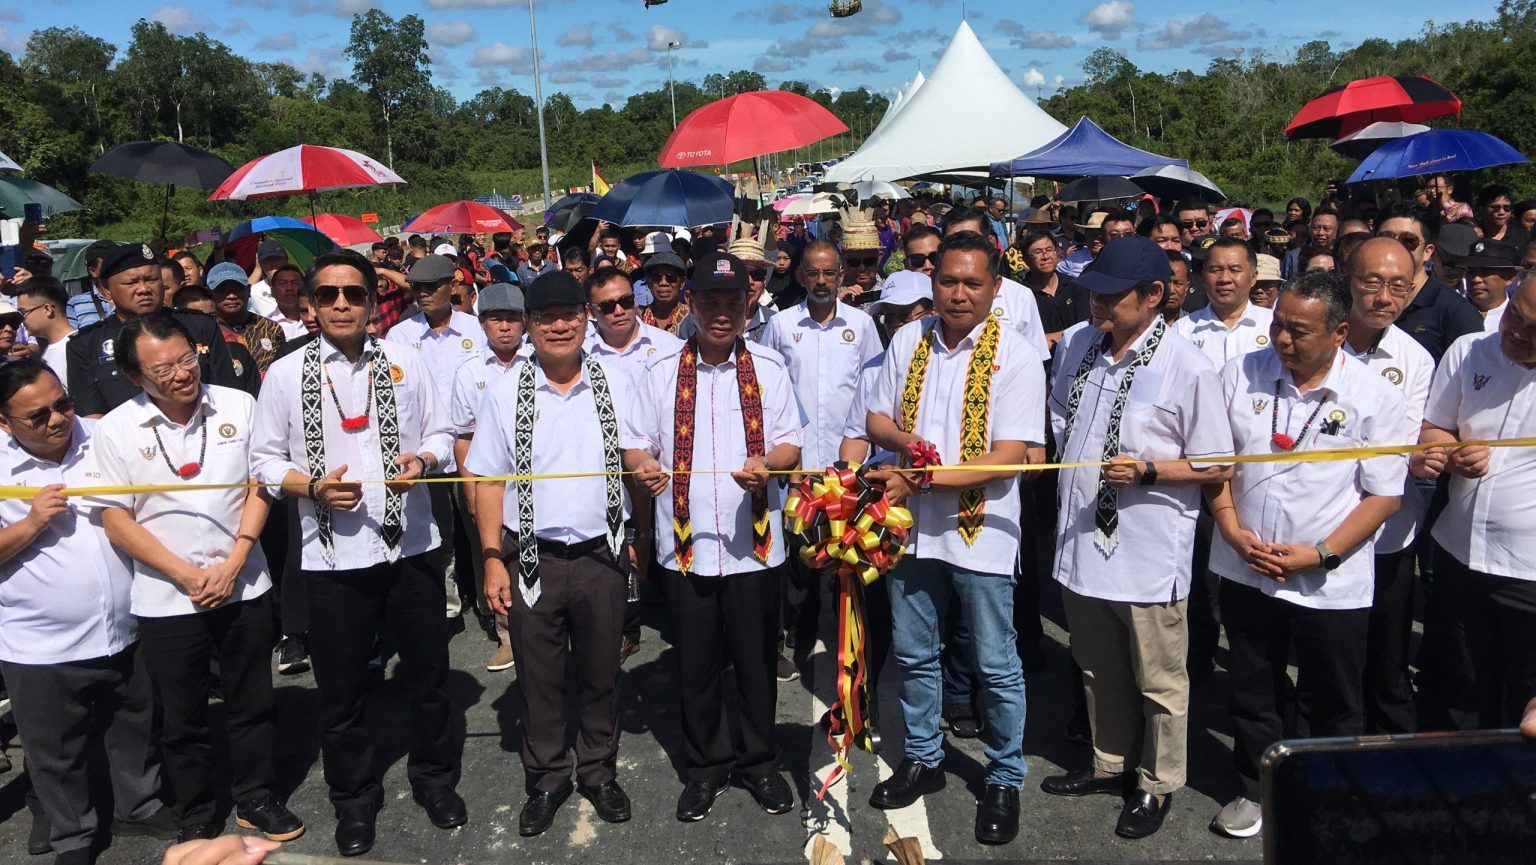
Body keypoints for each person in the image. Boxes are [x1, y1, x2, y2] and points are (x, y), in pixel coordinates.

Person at [250, 251, 464, 857]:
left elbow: (443, 434)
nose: (340, 303)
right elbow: (264, 461)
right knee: (341, 692)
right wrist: (309, 486)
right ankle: (354, 798)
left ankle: (434, 779)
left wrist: (422, 461)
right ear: (309, 305)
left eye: (352, 293)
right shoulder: (286, 375)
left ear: (373, 301)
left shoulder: (407, 360)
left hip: (412, 548)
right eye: (327, 295)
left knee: (427, 677)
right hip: (332, 556)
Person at [1041, 237, 1234, 839]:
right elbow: (1058, 418)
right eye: (1092, 288)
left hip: (1148, 548)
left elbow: (1219, 464)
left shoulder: (1189, 366)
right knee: (1097, 666)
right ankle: (1109, 761)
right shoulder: (1078, 344)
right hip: (1081, 542)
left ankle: (1156, 783)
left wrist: (1151, 470)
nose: (1095, 301)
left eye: (1110, 292)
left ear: (1154, 296)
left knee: (1159, 678)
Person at [1206, 270, 1406, 839]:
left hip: (1328, 578)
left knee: (1333, 695)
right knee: (1253, 684)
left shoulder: (1374, 397)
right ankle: (1256, 787)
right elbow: (1215, 464)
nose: (1282, 341)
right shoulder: (1239, 373)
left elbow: (1384, 495)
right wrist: (1230, 527)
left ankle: (1326, 792)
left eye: (1298, 331)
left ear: (1340, 332)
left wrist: (1320, 554)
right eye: (1276, 327)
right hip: (1244, 563)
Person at [863, 231, 1046, 846]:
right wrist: (906, 446)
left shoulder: (1014, 354)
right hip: (911, 532)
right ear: (931, 282)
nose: (959, 293)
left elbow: (1009, 458)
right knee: (914, 653)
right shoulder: (908, 339)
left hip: (982, 535)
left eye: (973, 283)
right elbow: (875, 417)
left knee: (995, 663)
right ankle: (923, 755)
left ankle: (1004, 773)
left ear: (996, 288)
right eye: (948, 281)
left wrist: (919, 478)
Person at [92, 313, 303, 844]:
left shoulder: (238, 405)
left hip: (244, 581)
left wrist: (236, 559)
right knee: (181, 715)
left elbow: (262, 484)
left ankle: (256, 796)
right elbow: (115, 517)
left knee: (252, 699)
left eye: (187, 358)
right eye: (163, 369)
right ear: (135, 376)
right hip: (167, 596)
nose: (182, 373)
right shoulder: (116, 428)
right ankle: (196, 811)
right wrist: (184, 574)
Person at [622, 252, 801, 824]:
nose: (721, 314)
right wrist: (643, 466)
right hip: (686, 545)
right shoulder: (658, 372)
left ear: (747, 306)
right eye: (710, 302)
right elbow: (636, 444)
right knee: (694, 666)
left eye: (732, 303)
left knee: (754, 662)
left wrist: (768, 463)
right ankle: (705, 767)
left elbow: (791, 444)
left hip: (755, 545)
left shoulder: (769, 368)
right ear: (690, 305)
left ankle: (759, 763)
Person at [467, 270, 641, 837]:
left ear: (586, 319)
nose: (560, 326)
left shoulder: (617, 380)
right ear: (530, 328)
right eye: (546, 319)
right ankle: (546, 777)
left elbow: (640, 460)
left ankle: (597, 769)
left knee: (601, 671)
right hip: (532, 556)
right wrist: (492, 557)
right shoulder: (503, 391)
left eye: (569, 314)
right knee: (538, 677)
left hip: (601, 554)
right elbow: (488, 482)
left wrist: (639, 535)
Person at [0, 360, 181, 863]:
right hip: (39, 642)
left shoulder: (104, 434)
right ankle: (73, 834)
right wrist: (31, 524)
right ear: (4, 422)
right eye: (38, 416)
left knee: (136, 725)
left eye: (62, 404)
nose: (58, 419)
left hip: (128, 623)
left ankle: (138, 807)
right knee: (55, 750)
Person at [1414, 271, 1536, 728]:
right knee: (1455, 682)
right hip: (1458, 552)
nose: (1517, 333)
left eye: (1533, 330)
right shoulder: (1469, 351)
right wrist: (1447, 454)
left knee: (1524, 696)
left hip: (1528, 573)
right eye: (1514, 317)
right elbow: (1434, 428)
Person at [1339, 238, 1436, 735]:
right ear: (1347, 279)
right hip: (1322, 529)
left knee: (1387, 657)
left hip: (1388, 535)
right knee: (1334, 663)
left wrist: (1425, 456)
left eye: (1398, 286)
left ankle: (1393, 762)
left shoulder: (1416, 360)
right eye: (1371, 282)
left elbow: (1416, 437)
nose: (1383, 297)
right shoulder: (1319, 341)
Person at [386, 253, 487, 622]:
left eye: (432, 287)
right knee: (436, 532)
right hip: (425, 449)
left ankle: (488, 603)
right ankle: (447, 608)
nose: (423, 295)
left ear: (454, 286)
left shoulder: (476, 330)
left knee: (477, 526)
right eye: (417, 288)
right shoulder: (400, 334)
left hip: (471, 447)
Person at [448, 283, 529, 672]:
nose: (505, 327)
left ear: (525, 321)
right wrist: (469, 488)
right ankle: (507, 636)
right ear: (482, 324)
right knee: (493, 553)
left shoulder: (543, 360)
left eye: (513, 318)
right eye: (497, 319)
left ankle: (548, 629)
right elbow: (463, 438)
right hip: (490, 481)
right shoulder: (468, 373)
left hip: (537, 477)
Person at [67, 244, 243, 418]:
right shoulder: (85, 345)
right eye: (132, 282)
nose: (144, 289)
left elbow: (227, 392)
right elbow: (91, 418)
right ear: (106, 288)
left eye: (152, 279)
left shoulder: (200, 325)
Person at [1375, 204, 1484, 362]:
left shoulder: (1458, 313)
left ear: (1428, 251)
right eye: (1386, 237)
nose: (1396, 246)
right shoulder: (1356, 302)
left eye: (1409, 240)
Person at [206, 263, 286, 375]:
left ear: (248, 290)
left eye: (236, 288)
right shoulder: (206, 332)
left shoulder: (271, 328)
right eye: (223, 289)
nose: (231, 296)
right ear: (209, 294)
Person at [16, 280, 75, 379]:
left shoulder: (77, 349)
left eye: (23, 312)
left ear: (47, 309)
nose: (22, 320)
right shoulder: (48, 349)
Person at [1461, 239, 1521, 331]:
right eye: (1471, 271)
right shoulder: (1450, 310)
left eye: (1485, 271)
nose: (1476, 279)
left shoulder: (1519, 319)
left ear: (1510, 277)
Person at [64, 241, 119, 328]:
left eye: (118, 260)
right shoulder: (76, 303)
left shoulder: (134, 296)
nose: (115, 265)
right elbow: (73, 339)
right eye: (108, 261)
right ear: (93, 271)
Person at [637, 250, 689, 335]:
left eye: (671, 278)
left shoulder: (694, 320)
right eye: (656, 277)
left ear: (682, 283)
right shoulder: (638, 319)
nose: (663, 283)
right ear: (648, 282)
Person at [263, 264, 308, 340]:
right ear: (272, 291)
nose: (289, 288)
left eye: (295, 283)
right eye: (283, 283)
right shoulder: (265, 326)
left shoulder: (317, 321)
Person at [247, 241, 291, 318]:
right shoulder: (255, 292)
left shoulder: (301, 287)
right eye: (268, 259)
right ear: (260, 264)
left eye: (277, 258)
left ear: (286, 260)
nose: (273, 263)